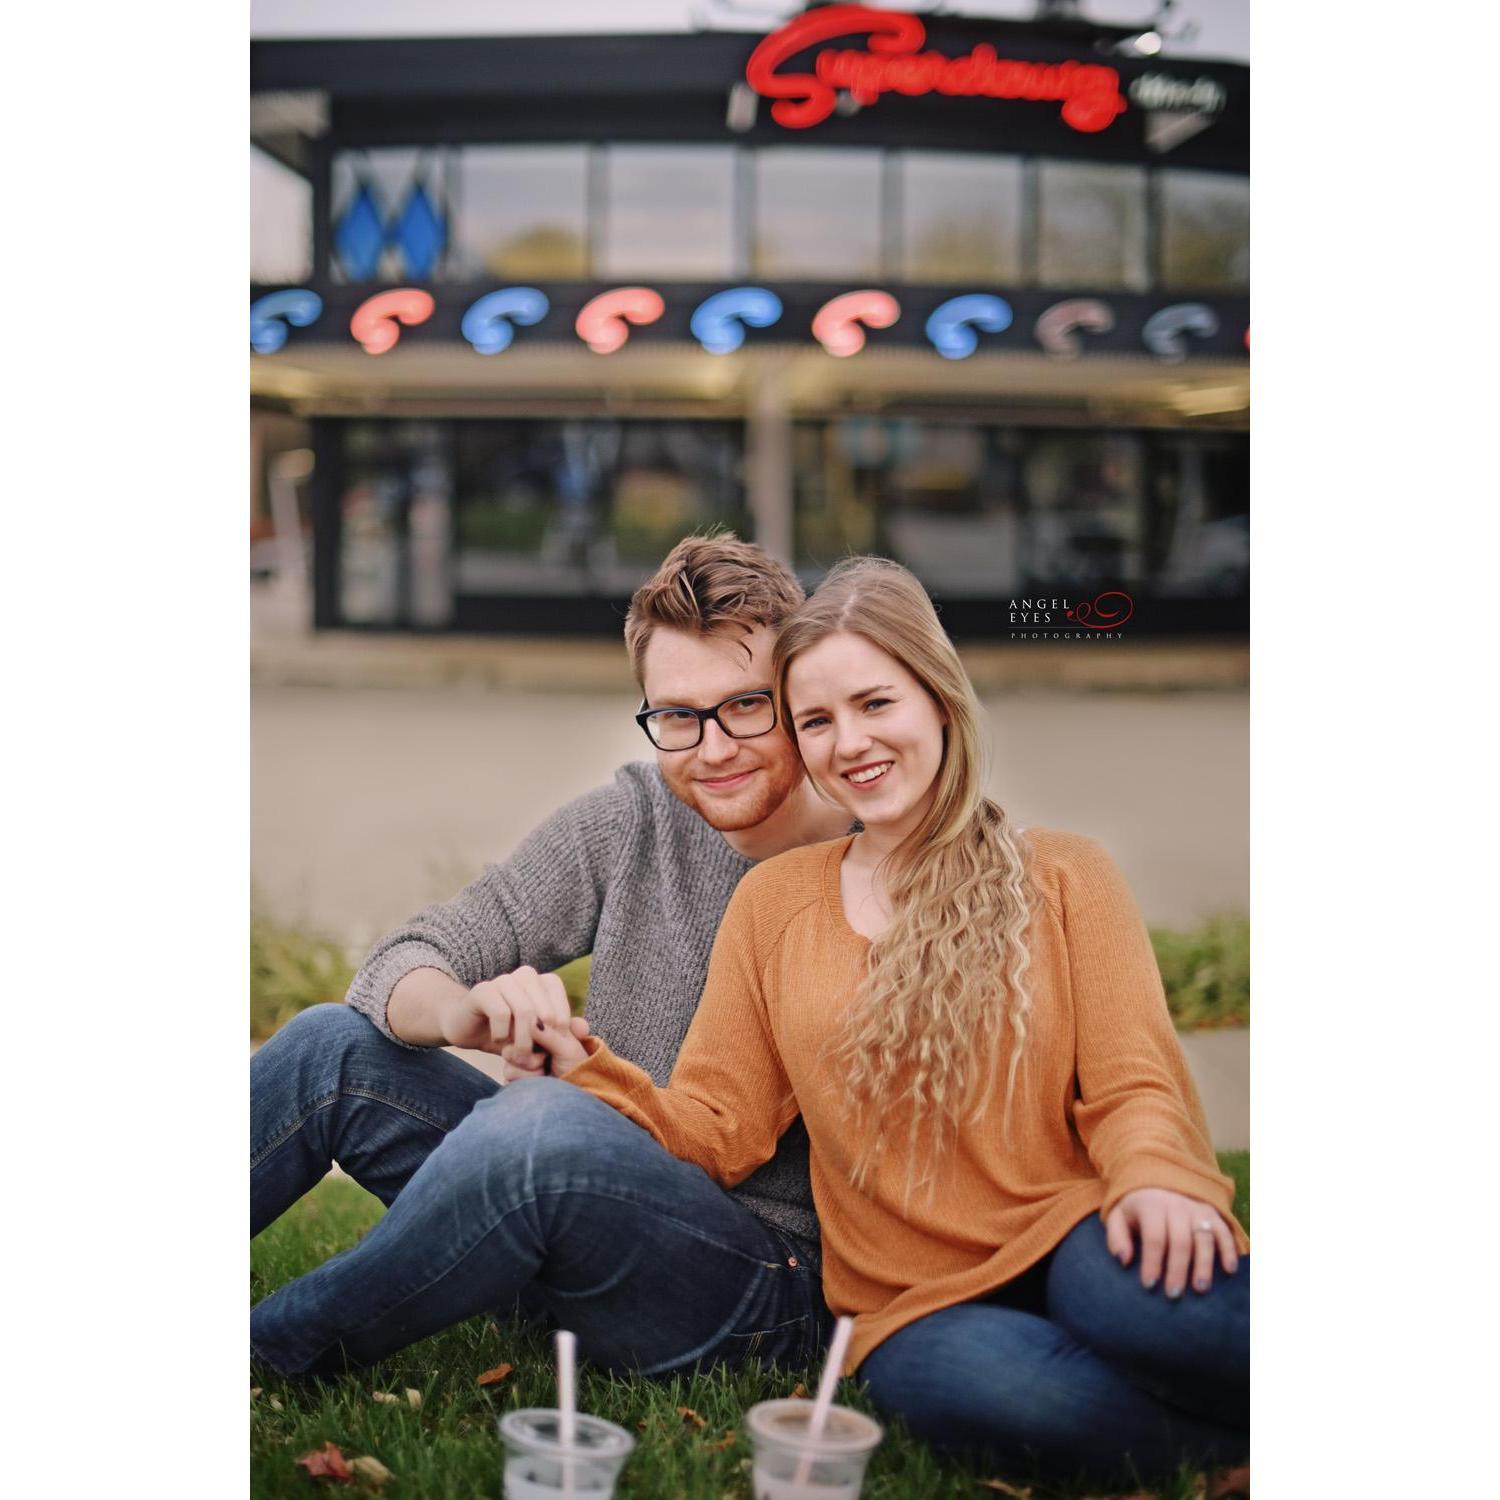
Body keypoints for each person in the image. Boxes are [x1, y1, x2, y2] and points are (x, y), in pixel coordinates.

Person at [533, 557, 1250, 1485]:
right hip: (911, 1308)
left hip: (1064, 1228)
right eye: (817, 721)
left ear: (939, 700)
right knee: (1022, 1401)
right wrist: (581, 1062)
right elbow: (720, 1127)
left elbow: (1134, 1080)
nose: (850, 744)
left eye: (876, 704)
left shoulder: (1066, 874)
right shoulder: (777, 904)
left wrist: (1158, 1178)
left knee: (1154, 1306)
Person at [250, 533, 854, 1378]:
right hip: (556, 1208)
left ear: (798, 693)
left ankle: (263, 1352)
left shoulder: (873, 866)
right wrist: (467, 1014)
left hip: (752, 1281)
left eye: (746, 706)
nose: (712, 749)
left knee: (549, 1123)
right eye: (678, 717)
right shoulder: (634, 818)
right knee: (330, 1048)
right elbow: (404, 958)